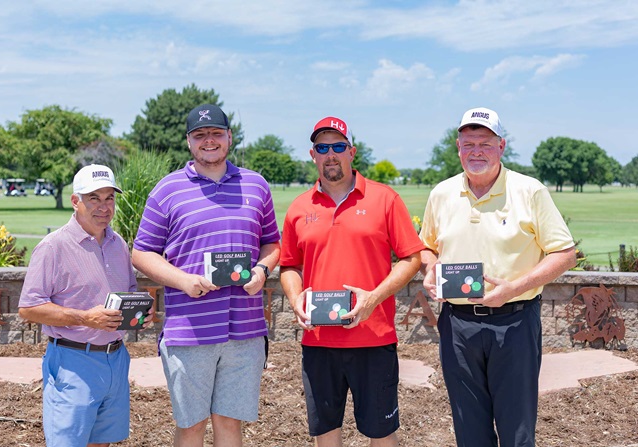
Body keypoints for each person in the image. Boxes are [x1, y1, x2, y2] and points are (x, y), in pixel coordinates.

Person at [419, 107, 577, 447]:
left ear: (501, 147)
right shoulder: (441, 193)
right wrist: (430, 268)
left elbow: (565, 253)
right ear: (458, 147)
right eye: (468, 143)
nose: (476, 151)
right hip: (457, 325)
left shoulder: (529, 191)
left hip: (515, 323)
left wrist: (513, 288)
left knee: (517, 429)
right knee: (469, 428)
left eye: (485, 143)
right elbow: (427, 247)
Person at [131, 103, 281, 447]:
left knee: (229, 423)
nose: (208, 141)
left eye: (216, 133)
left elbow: (272, 242)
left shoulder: (256, 185)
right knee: (192, 426)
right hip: (189, 331)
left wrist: (261, 270)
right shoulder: (167, 190)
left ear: (229, 137)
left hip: (244, 331)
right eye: (200, 135)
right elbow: (141, 253)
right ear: (189, 142)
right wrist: (183, 280)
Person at [279, 116, 425, 447]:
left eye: (339, 146)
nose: (331, 154)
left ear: (352, 152)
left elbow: (411, 258)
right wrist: (295, 298)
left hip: (373, 341)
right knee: (326, 433)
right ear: (313, 154)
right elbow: (289, 265)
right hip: (318, 342)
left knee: (381, 433)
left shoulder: (384, 198)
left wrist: (372, 298)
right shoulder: (299, 208)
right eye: (322, 147)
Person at [18, 164, 154, 447]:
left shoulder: (118, 244)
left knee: (101, 443)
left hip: (116, 359)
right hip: (73, 361)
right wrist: (84, 318)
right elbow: (28, 309)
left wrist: (140, 312)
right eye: (94, 198)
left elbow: (128, 291)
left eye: (109, 198)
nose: (104, 207)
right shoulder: (52, 247)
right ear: (75, 201)